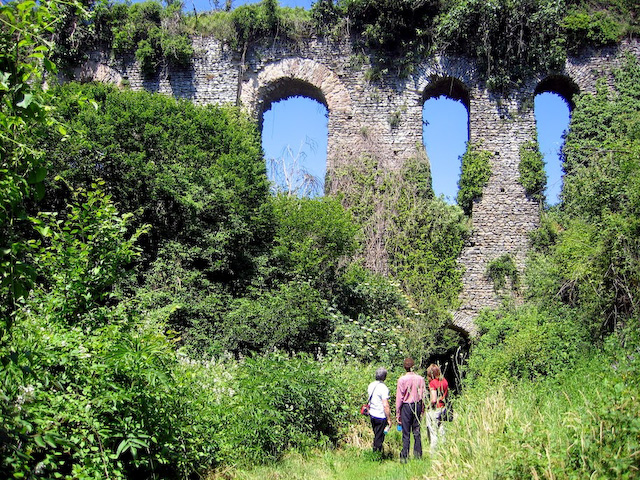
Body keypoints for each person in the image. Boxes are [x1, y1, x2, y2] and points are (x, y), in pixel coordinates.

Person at [396, 357, 426, 462]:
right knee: (416, 431)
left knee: (406, 432)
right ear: (413, 366)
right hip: (417, 404)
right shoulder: (420, 379)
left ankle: (405, 456)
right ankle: (418, 455)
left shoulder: (402, 380)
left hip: (406, 406)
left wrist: (398, 412)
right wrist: (422, 409)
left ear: (404, 367)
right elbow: (423, 395)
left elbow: (399, 398)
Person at [367, 367, 392, 454]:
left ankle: (377, 453)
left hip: (372, 413)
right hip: (380, 415)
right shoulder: (383, 388)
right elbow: (385, 405)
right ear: (384, 377)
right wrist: (389, 419)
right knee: (379, 436)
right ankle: (376, 455)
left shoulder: (371, 385)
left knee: (376, 434)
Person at [426, 363, 449, 452]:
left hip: (436, 409)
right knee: (442, 430)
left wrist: (429, 406)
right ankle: (443, 450)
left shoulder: (432, 383)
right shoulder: (444, 381)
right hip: (443, 407)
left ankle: (433, 452)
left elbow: (434, 399)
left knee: (433, 431)